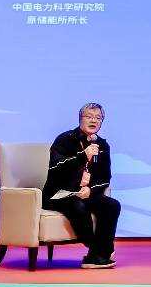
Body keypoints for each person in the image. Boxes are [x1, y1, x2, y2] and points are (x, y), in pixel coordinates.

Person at [41, 102, 121, 268]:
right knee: (78, 206)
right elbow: (55, 168)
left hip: (85, 193)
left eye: (98, 118)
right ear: (80, 119)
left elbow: (105, 178)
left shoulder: (102, 145)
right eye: (89, 117)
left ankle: (94, 256)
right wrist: (82, 156)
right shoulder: (65, 139)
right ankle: (100, 251)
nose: (94, 121)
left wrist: (90, 190)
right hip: (59, 194)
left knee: (112, 205)